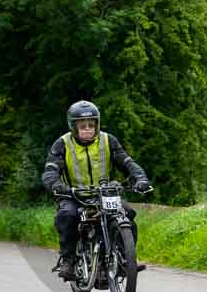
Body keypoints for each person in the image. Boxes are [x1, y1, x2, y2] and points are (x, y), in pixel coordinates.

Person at [42, 100, 152, 280]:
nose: (87, 128)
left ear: (97, 124)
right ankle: (68, 260)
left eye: (91, 125)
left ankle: (127, 259)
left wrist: (141, 179)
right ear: (73, 127)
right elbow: (51, 170)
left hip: (104, 194)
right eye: (82, 125)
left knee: (128, 213)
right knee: (67, 215)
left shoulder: (108, 140)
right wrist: (57, 185)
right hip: (73, 194)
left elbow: (127, 163)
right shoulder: (62, 144)